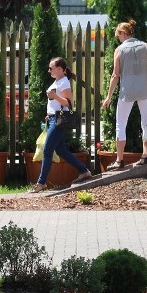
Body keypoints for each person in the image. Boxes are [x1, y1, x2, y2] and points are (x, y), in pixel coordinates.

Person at [101, 19, 147, 170]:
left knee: (121, 124)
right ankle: (145, 155)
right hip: (145, 91)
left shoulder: (120, 50)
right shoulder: (145, 47)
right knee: (146, 122)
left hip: (126, 91)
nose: (118, 39)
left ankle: (119, 160)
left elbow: (115, 75)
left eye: (118, 35)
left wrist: (108, 96)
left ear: (123, 34)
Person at [32, 57, 92, 192]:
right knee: (61, 150)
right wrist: (50, 113)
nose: (49, 70)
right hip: (54, 118)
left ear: (60, 69)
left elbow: (69, 103)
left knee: (47, 150)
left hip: (58, 121)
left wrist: (54, 96)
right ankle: (84, 171)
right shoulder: (58, 81)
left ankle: (41, 183)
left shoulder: (64, 82)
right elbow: (58, 103)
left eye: (51, 68)